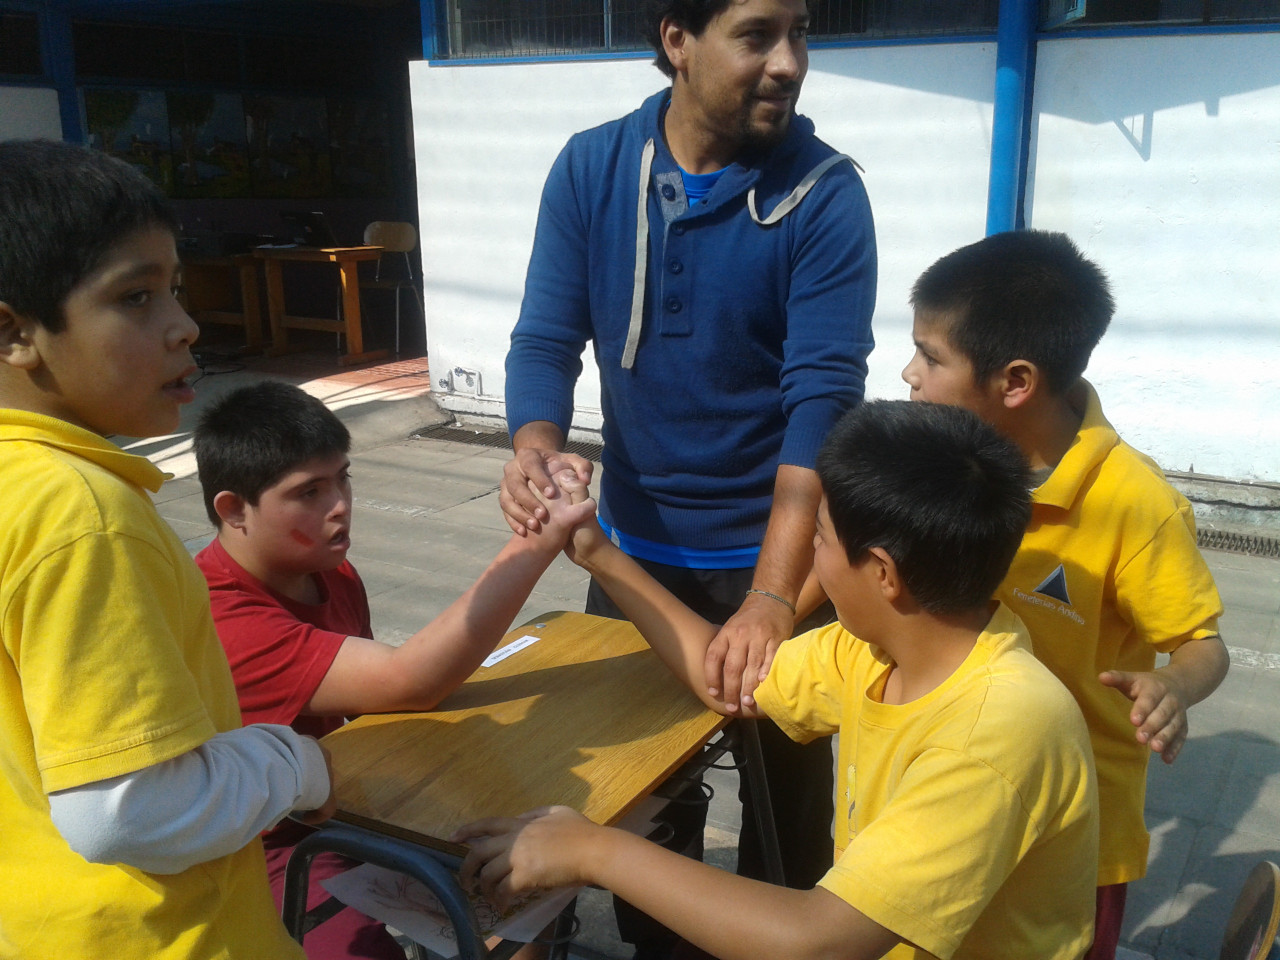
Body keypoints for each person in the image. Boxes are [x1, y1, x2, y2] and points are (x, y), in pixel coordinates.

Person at [457, 400, 1100, 960]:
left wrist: (593, 851)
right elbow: (726, 679)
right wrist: (594, 549)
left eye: (819, 537)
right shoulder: (877, 649)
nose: (812, 555)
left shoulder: (997, 730)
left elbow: (818, 942)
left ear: (883, 573)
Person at [500, 0, 876, 946]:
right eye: (756, 35)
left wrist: (774, 598)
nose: (788, 62)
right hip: (635, 559)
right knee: (640, 798)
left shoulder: (823, 194)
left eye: (800, 33)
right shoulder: (592, 168)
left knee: (786, 809)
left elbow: (822, 406)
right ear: (676, 40)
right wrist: (535, 450)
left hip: (777, 566)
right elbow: (546, 338)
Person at [0, 139, 332, 959]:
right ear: (13, 333)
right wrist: (292, 761)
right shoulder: (82, 514)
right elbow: (127, 811)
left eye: (175, 289)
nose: (184, 326)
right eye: (136, 296)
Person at [900, 229, 1230, 960]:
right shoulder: (939, 464)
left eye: (931, 356)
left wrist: (1174, 686)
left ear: (1015, 382)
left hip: (1075, 828)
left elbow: (1203, 645)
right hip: (953, 791)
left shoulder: (1134, 503)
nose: (908, 373)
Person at [193, 379, 596, 960]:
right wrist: (539, 537)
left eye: (343, 478)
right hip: (264, 843)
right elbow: (410, 681)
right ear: (234, 510)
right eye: (309, 492)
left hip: (344, 801)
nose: (340, 505)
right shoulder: (222, 615)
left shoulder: (328, 572)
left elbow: (377, 709)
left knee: (534, 878)